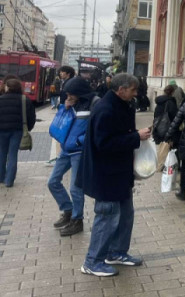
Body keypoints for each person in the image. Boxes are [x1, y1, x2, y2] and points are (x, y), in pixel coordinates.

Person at [77, 73, 151, 277]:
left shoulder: (120, 104)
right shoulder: (106, 109)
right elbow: (105, 144)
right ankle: (92, 261)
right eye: (133, 89)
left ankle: (116, 252)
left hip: (119, 173)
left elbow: (119, 135)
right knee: (107, 216)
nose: (136, 93)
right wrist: (136, 136)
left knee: (126, 215)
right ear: (122, 90)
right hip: (106, 175)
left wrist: (135, 135)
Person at [48, 77, 97, 237]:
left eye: (71, 94)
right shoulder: (71, 103)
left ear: (80, 92)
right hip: (65, 149)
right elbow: (60, 122)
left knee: (75, 188)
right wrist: (65, 108)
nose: (69, 96)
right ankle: (67, 210)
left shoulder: (94, 103)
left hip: (78, 151)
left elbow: (96, 128)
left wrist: (79, 141)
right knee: (53, 182)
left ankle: (77, 220)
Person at [0, 78, 36, 187]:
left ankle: (1, 177)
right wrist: (28, 128)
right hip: (17, 131)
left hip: (1, 131)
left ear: (8, 87)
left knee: (1, 154)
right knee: (12, 155)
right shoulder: (25, 99)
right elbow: (31, 117)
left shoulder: (0, 99)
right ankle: (9, 181)